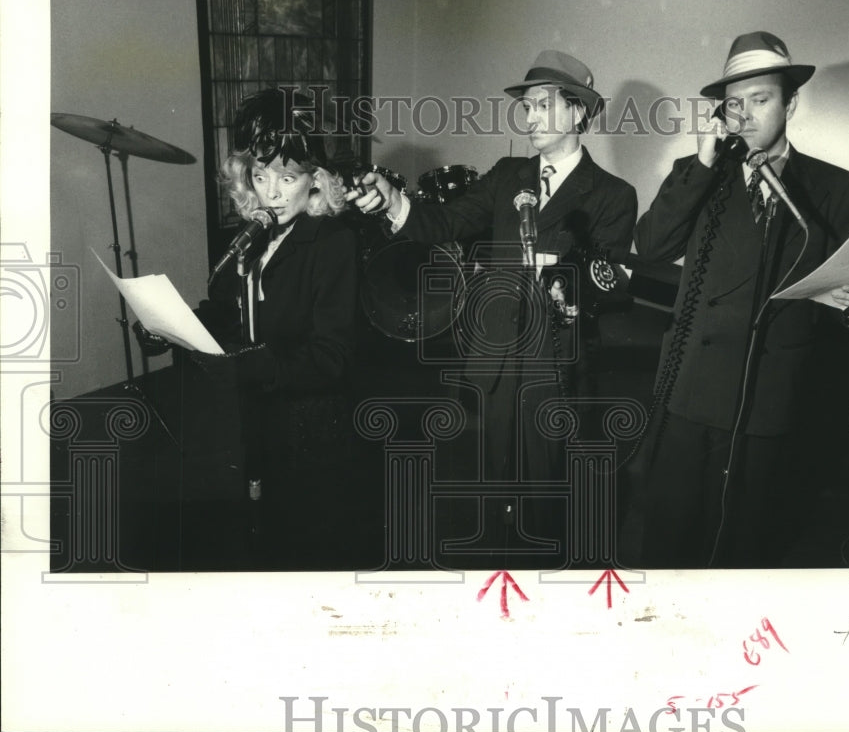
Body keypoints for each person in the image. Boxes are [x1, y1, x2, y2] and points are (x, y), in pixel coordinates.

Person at [348, 50, 638, 565]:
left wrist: (566, 292)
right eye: (526, 107)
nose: (529, 118)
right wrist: (394, 202)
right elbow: (445, 222)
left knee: (549, 487)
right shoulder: (508, 176)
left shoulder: (613, 194)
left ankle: (551, 576)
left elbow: (609, 282)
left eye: (543, 106)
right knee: (496, 480)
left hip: (556, 366)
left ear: (577, 113)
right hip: (497, 356)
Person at [624, 31, 849, 569]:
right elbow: (650, 246)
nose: (744, 115)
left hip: (771, 396)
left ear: (790, 102)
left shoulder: (835, 187)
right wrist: (701, 164)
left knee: (744, 543)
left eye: (760, 100)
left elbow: (843, 291)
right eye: (734, 104)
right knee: (669, 534)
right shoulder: (697, 175)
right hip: (691, 389)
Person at [136, 88, 359, 569]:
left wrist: (252, 366)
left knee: (308, 542)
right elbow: (225, 309)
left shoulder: (333, 242)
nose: (272, 193)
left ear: (315, 179)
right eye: (260, 177)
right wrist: (169, 326)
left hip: (311, 428)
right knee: (260, 529)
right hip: (254, 418)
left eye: (287, 177)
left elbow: (332, 356)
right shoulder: (257, 234)